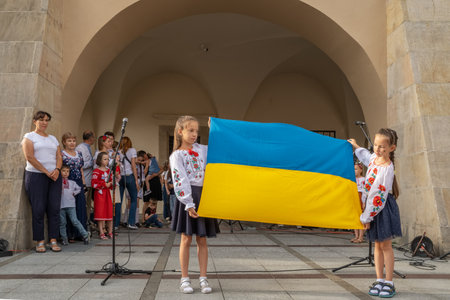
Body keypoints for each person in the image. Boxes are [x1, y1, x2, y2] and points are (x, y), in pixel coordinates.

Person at [348, 128, 402, 298]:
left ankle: (389, 282)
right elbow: (365, 156)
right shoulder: (374, 159)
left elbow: (378, 195)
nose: (378, 150)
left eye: (383, 147)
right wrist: (355, 145)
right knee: (377, 246)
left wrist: (367, 216)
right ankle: (379, 279)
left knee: (385, 246)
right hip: (372, 208)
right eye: (376, 145)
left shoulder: (386, 168)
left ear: (392, 148)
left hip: (381, 207)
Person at [170, 116, 217, 294]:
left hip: (203, 194)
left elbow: (217, 149)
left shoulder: (202, 150)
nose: (195, 134)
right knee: (186, 238)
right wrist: (188, 203)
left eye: (197, 131)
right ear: (180, 131)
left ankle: (203, 278)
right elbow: (179, 178)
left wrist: (215, 130)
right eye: (191, 130)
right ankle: (184, 278)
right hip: (188, 196)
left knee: (202, 239)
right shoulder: (177, 155)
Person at [22, 111, 62, 253]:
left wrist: (57, 169)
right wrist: (46, 172)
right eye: (41, 120)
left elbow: (59, 156)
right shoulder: (29, 137)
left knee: (54, 208)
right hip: (36, 176)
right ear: (34, 121)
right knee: (38, 209)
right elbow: (29, 157)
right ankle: (39, 241)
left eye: (46, 120)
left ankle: (53, 239)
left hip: (55, 177)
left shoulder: (53, 138)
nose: (44, 122)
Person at [61, 132, 87, 241]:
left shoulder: (79, 153)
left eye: (73, 141)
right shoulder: (61, 154)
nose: (72, 143)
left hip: (78, 182)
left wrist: (84, 183)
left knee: (80, 206)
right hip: (67, 182)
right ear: (64, 142)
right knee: (68, 207)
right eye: (69, 141)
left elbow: (81, 168)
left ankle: (80, 233)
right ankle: (69, 234)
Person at [59, 165, 90, 245]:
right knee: (62, 222)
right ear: (60, 172)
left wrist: (74, 193)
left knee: (75, 221)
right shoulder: (58, 183)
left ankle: (85, 234)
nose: (65, 173)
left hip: (71, 205)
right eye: (63, 171)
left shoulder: (72, 183)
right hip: (61, 205)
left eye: (67, 171)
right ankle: (64, 238)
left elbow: (79, 189)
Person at [116, 136, 140, 230]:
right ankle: (131, 222)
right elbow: (133, 165)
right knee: (134, 199)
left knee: (119, 201)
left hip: (120, 177)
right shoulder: (132, 150)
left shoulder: (119, 151)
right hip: (129, 176)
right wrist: (136, 180)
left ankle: (116, 224)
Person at [92, 152, 115, 239]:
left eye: (108, 159)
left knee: (109, 212)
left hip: (107, 195)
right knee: (100, 213)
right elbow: (94, 184)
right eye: (105, 159)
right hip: (99, 195)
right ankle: (101, 232)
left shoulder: (109, 171)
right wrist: (104, 184)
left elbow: (113, 183)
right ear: (100, 160)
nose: (107, 161)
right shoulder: (96, 171)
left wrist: (112, 184)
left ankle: (110, 232)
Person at [76, 130, 95, 229]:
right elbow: (80, 165)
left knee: (88, 204)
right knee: (84, 204)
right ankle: (83, 222)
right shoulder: (81, 148)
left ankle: (87, 221)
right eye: (93, 137)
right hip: (85, 181)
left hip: (89, 180)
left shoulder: (88, 148)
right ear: (90, 138)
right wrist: (92, 163)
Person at [350, 162, 365, 243]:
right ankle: (356, 236)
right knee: (355, 218)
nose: (354, 171)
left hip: (360, 198)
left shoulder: (363, 179)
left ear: (361, 170)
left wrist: (363, 202)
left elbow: (365, 191)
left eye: (356, 169)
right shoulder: (352, 180)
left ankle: (361, 237)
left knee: (361, 218)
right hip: (354, 198)